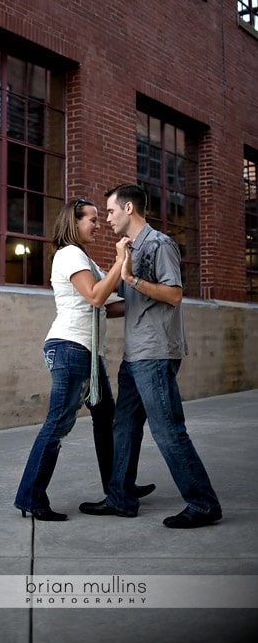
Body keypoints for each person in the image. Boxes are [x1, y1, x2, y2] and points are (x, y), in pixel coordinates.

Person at [79, 183, 222, 528]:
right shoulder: (130, 247)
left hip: (156, 353)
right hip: (136, 354)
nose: (107, 218)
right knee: (124, 425)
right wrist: (90, 306)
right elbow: (130, 303)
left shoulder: (159, 245)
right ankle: (121, 498)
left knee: (168, 430)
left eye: (111, 211)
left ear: (129, 209)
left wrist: (131, 277)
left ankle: (203, 504)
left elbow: (174, 295)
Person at [14, 197, 155, 521]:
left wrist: (149, 300)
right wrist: (121, 260)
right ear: (73, 222)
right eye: (91, 218)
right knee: (59, 423)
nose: (98, 224)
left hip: (88, 353)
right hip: (70, 348)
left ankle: (119, 489)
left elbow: (107, 304)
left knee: (107, 420)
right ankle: (30, 497)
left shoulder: (86, 260)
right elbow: (96, 295)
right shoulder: (70, 254)